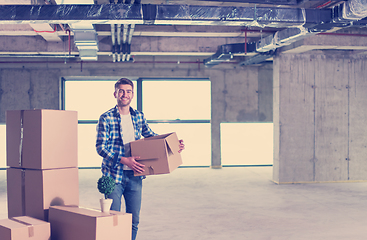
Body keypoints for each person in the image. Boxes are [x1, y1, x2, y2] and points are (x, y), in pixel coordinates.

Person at [96, 78, 184, 240]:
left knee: (133, 221)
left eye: (128, 91)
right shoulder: (106, 118)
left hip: (135, 175)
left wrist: (172, 145)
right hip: (113, 175)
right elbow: (101, 147)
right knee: (113, 219)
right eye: (121, 91)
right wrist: (124, 160)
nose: (125, 94)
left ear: (132, 94)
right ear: (115, 93)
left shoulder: (138, 116)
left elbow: (152, 137)